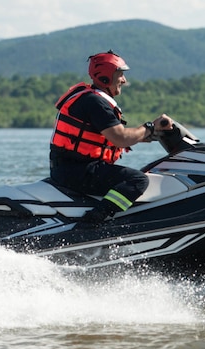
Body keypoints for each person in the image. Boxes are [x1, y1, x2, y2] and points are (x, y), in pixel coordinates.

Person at [49, 50, 172, 227]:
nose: (124, 80)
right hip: (77, 171)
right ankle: (94, 221)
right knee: (137, 180)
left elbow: (112, 136)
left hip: (70, 168)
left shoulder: (90, 98)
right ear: (106, 77)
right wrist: (150, 127)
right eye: (120, 74)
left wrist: (150, 134)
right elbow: (121, 138)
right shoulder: (95, 102)